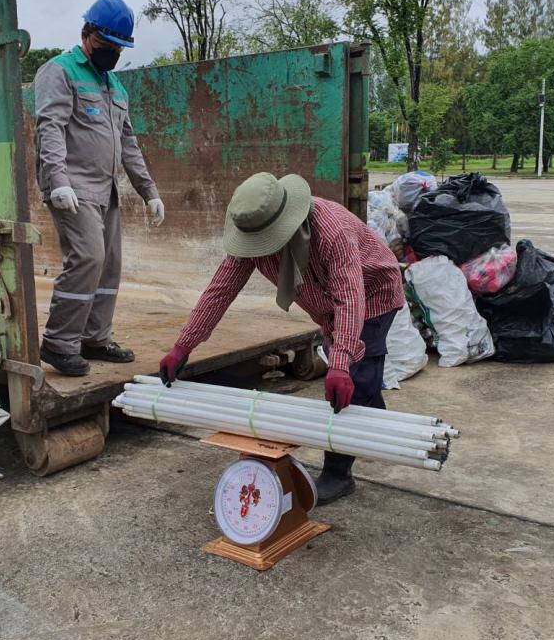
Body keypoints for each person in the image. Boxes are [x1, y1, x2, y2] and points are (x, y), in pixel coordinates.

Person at [158, 172, 405, 505]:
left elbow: (350, 296)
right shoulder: (253, 235)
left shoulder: (332, 232)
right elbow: (220, 292)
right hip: (330, 306)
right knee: (359, 386)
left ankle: (338, 474)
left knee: (353, 378)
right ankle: (372, 419)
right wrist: (182, 346)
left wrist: (341, 362)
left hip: (372, 293)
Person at [34, 0, 164, 376]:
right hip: (72, 188)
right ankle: (59, 343)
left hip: (104, 190)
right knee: (88, 258)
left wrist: (149, 191)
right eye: (107, 46)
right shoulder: (58, 71)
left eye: (119, 48)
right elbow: (51, 127)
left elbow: (128, 144)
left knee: (110, 265)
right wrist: (57, 181)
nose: (113, 54)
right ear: (87, 35)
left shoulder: (115, 86)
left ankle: (95, 337)